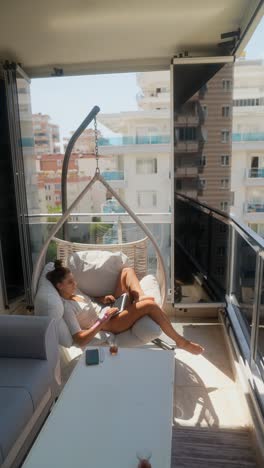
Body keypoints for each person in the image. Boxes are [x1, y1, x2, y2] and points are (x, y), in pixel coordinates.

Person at [46, 260, 204, 355]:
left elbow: (89, 301)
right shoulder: (66, 308)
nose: (75, 284)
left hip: (109, 309)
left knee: (126, 271)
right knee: (150, 305)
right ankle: (181, 342)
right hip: (110, 324)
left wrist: (102, 298)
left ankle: (139, 296)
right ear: (59, 286)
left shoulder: (74, 291)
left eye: (74, 280)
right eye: (70, 282)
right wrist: (103, 320)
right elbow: (79, 339)